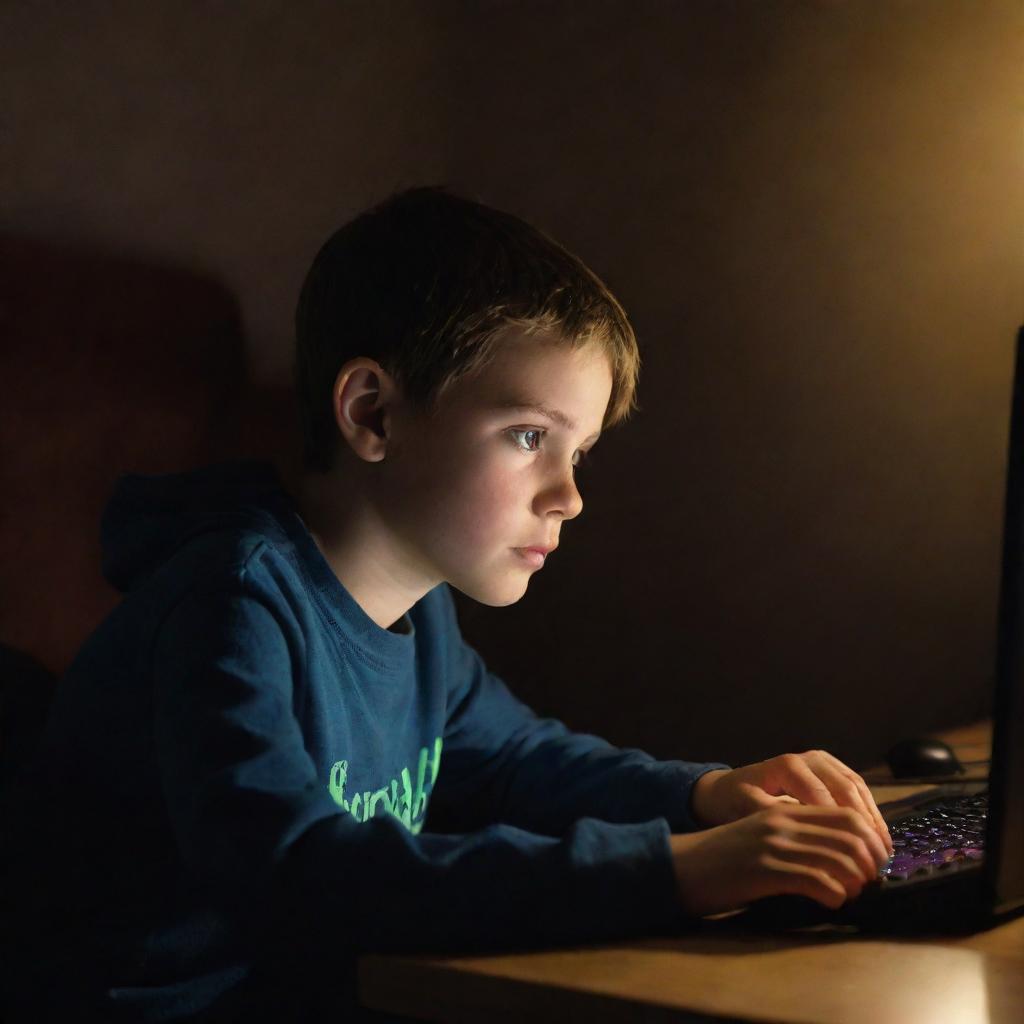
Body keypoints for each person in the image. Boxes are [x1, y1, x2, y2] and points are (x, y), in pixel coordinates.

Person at [1, 186, 894, 1023]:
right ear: (374, 414)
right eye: (528, 436)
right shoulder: (231, 606)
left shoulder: (417, 611)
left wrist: (705, 796)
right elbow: (296, 871)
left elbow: (517, 761)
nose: (568, 496)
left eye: (575, 452)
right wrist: (674, 871)